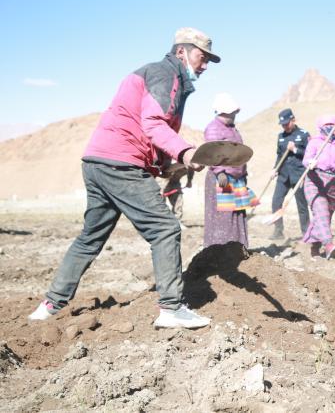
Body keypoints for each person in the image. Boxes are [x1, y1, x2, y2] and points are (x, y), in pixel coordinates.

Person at [28, 27, 219, 329]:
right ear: (181, 51)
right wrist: (185, 153)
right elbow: (153, 124)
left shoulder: (154, 73)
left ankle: (50, 304)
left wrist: (165, 165)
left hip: (97, 160)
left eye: (209, 60)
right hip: (120, 163)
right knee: (165, 228)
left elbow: (141, 128)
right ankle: (172, 308)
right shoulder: (166, 73)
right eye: (202, 57)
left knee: (90, 238)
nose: (205, 65)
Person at [203, 93, 256, 252]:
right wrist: (220, 172)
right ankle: (221, 252)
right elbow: (213, 152)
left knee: (238, 215)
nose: (235, 115)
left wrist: (243, 172)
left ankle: (239, 249)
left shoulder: (232, 128)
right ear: (224, 111)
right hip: (223, 178)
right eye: (232, 112)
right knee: (224, 218)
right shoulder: (213, 129)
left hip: (237, 178)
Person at [301, 115, 335, 258]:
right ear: (320, 127)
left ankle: (314, 246)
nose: (328, 127)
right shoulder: (314, 143)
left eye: (331, 125)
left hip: (333, 182)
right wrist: (310, 162)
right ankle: (328, 245)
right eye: (325, 125)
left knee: (324, 217)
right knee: (321, 211)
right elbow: (306, 159)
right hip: (314, 180)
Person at [270, 108, 310, 240]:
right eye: (282, 124)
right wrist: (275, 169)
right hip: (283, 176)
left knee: (302, 205)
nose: (285, 126)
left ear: (293, 120)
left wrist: (295, 149)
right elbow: (279, 155)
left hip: (298, 175)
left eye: (287, 123)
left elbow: (310, 155)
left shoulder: (304, 135)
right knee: (276, 201)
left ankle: (306, 233)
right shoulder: (281, 137)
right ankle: (278, 231)